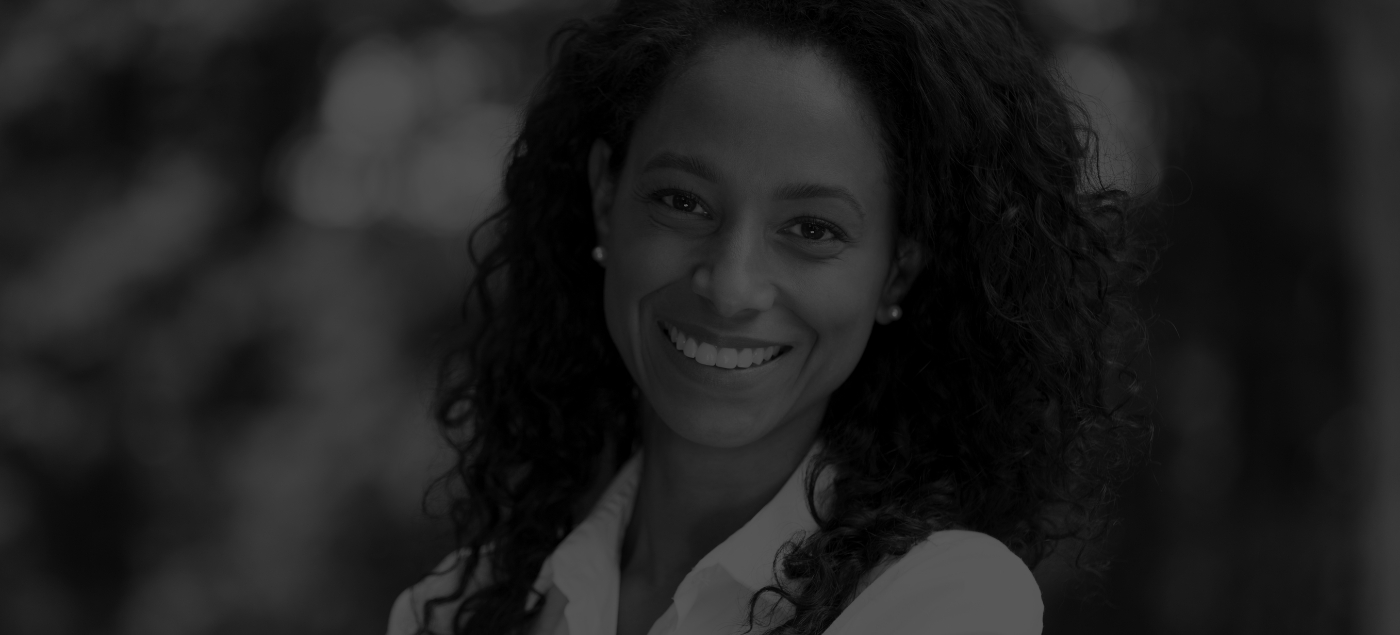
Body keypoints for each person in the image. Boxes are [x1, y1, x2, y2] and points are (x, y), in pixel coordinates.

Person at [387, 0, 1152, 633]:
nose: (730, 285)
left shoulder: (944, 599)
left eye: (813, 229)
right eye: (683, 201)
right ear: (604, 199)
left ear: (898, 270)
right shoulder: (450, 609)